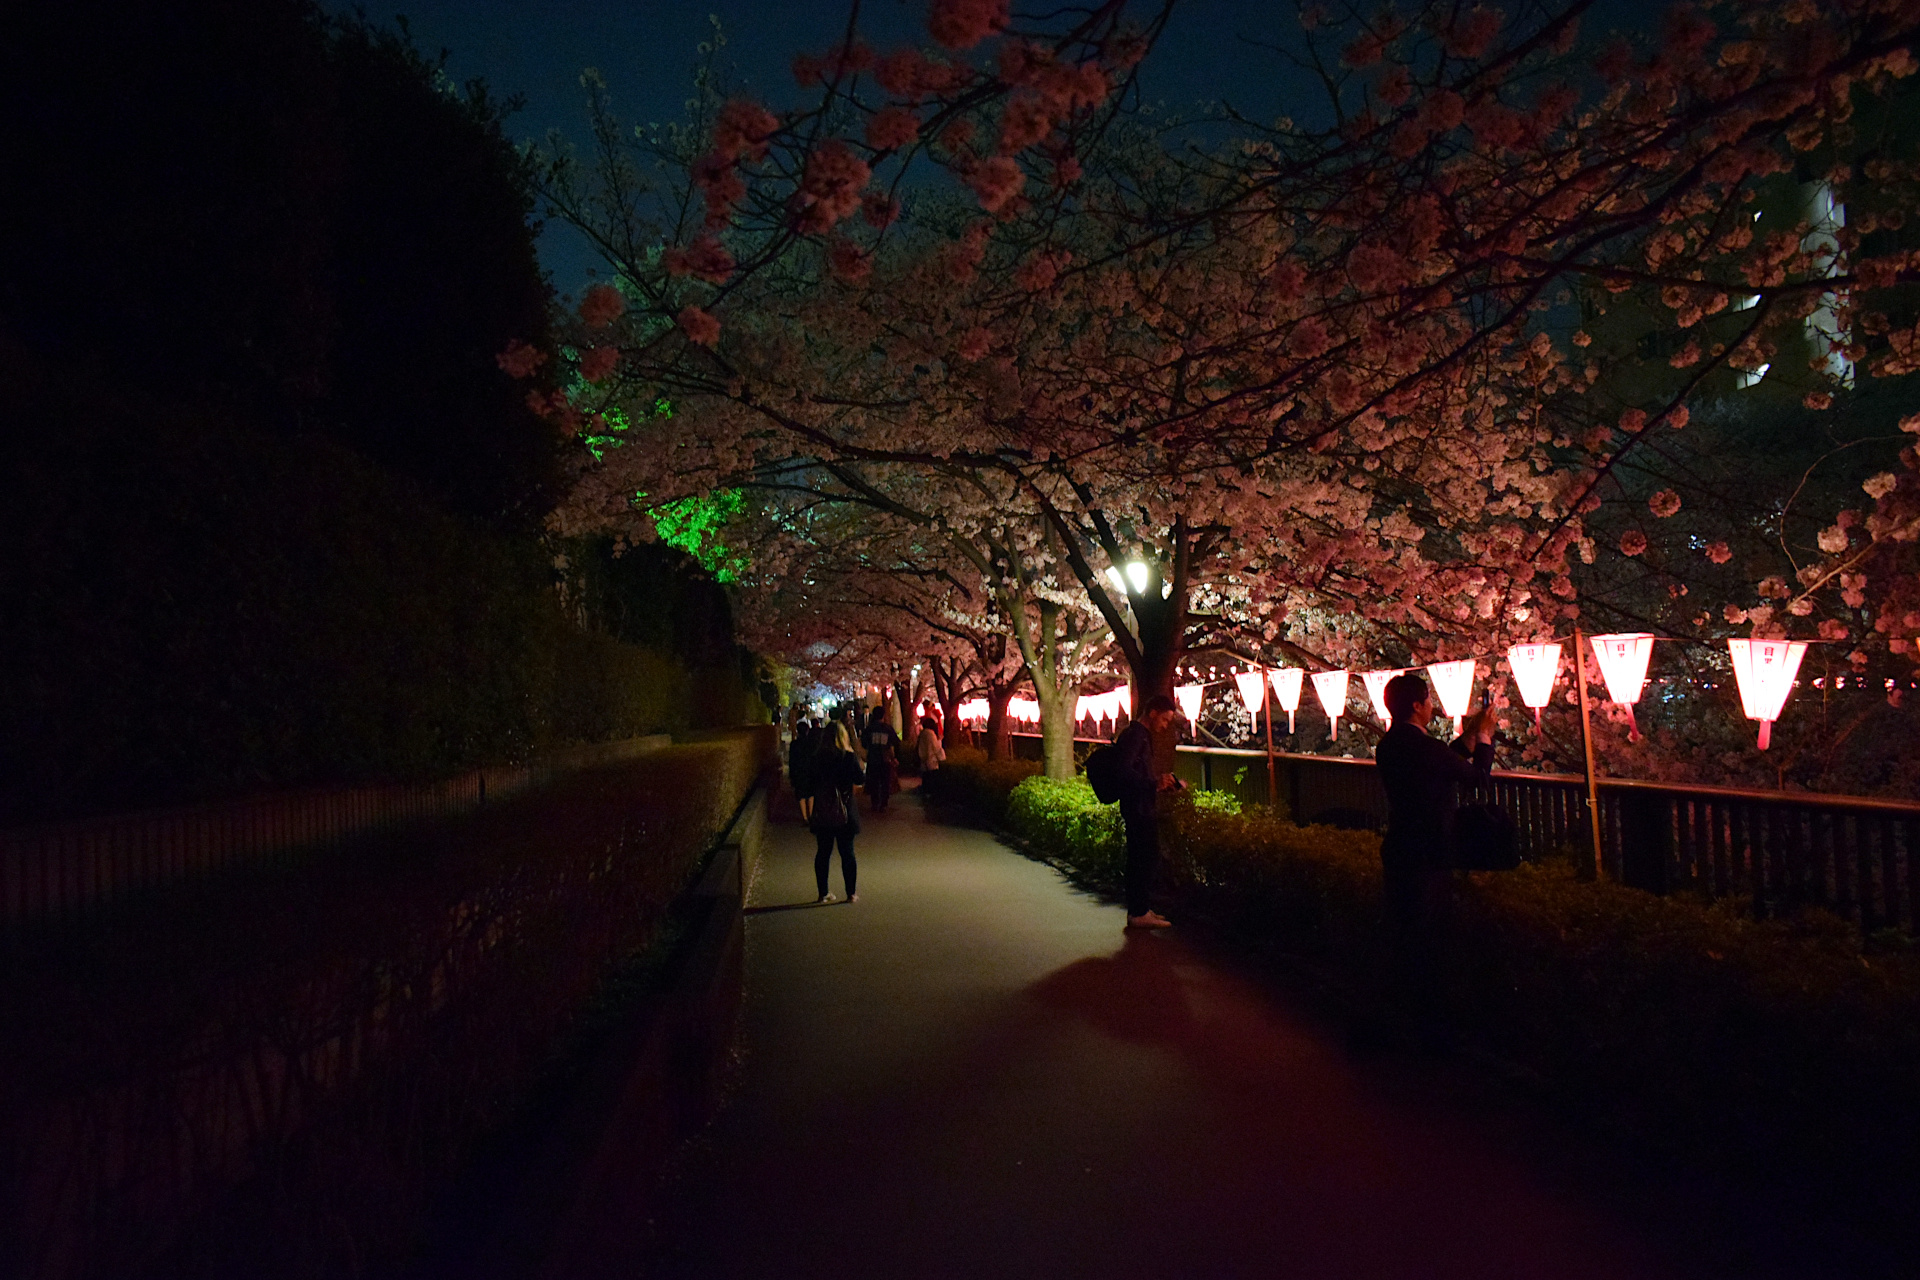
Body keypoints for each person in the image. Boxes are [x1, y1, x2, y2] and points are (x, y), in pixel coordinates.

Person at [1373, 671, 1496, 1028]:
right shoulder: (1425, 749)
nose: (1431, 705)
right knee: (1429, 936)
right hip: (1430, 853)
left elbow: (1441, 759)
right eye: (1428, 700)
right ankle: (1430, 1019)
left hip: (1400, 846)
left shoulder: (1389, 744)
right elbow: (1477, 778)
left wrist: (1469, 736)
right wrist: (1485, 737)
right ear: (1417, 705)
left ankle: (1399, 1011)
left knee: (1403, 931)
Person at [1115, 694, 1181, 930]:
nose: (1165, 725)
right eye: (1164, 719)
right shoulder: (1136, 736)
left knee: (1142, 856)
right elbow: (1124, 771)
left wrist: (1158, 783)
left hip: (1138, 805)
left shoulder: (1136, 734)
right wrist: (1154, 784)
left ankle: (1140, 908)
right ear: (1152, 713)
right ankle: (1138, 912)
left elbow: (1132, 771)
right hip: (1138, 807)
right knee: (1144, 857)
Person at [809, 722, 865, 903]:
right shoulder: (847, 757)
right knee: (847, 852)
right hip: (845, 809)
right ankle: (851, 893)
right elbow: (860, 779)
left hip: (823, 809)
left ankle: (823, 892)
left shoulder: (817, 758)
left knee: (823, 852)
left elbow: (809, 783)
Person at [863, 706, 900, 812]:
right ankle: (884, 804)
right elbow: (896, 742)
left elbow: (864, 744)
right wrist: (895, 757)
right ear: (883, 715)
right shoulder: (887, 729)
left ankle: (875, 803)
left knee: (874, 782)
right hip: (885, 759)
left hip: (873, 759)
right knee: (885, 782)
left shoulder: (869, 729)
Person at [788, 720, 819, 824]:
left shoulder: (794, 744)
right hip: (810, 771)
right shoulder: (812, 743)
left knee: (801, 795)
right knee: (811, 793)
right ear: (807, 731)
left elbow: (792, 760)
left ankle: (805, 817)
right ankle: (811, 814)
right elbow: (815, 758)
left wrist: (792, 775)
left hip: (799, 772)